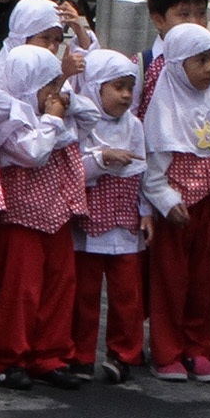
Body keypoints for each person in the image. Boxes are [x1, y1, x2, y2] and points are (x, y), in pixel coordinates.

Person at [141, 23, 210, 382]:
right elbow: (153, 166)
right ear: (176, 65)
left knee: (205, 282)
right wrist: (166, 199)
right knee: (171, 283)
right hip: (178, 213)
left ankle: (200, 348)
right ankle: (167, 351)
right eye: (201, 60)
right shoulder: (164, 109)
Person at [0, 45, 87, 390]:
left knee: (60, 283)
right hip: (20, 218)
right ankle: (7, 356)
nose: (55, 96)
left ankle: (49, 354)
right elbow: (32, 153)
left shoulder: (52, 114)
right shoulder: (8, 120)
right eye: (48, 88)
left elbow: (88, 116)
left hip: (56, 213)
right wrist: (52, 118)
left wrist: (60, 99)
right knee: (20, 290)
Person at [69, 49, 148, 383]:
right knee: (85, 295)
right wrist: (103, 159)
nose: (126, 95)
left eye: (130, 87)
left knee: (127, 296)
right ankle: (80, 354)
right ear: (96, 87)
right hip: (90, 225)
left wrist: (146, 213)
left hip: (125, 223)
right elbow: (77, 170)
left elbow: (144, 172)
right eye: (117, 87)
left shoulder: (135, 126)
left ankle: (124, 354)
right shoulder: (85, 125)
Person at [135, 0, 210, 120]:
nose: (195, 22)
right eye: (184, 14)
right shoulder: (143, 65)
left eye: (201, 13)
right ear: (159, 20)